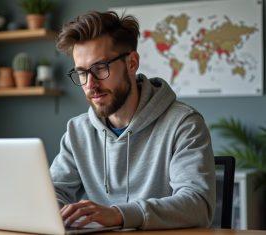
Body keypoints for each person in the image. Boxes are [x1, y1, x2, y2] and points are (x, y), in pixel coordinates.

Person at [50, 10, 215, 230]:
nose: (90, 84)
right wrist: (55, 213)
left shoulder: (183, 124)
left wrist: (118, 214)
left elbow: (198, 205)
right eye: (82, 73)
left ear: (132, 63)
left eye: (100, 68)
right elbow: (52, 192)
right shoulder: (77, 131)